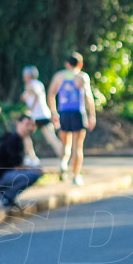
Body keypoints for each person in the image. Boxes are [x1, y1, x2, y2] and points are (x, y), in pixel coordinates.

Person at [48, 52, 96, 186]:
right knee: (78, 146)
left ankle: (63, 163)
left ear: (67, 64)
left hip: (63, 112)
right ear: (80, 64)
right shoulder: (81, 77)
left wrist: (53, 112)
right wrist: (92, 115)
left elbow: (51, 93)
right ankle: (76, 176)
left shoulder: (59, 76)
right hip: (78, 113)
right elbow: (88, 97)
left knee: (65, 143)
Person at [0, 115, 44, 208]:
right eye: (27, 125)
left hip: (5, 174)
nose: (30, 128)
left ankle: (8, 196)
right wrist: (36, 169)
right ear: (18, 124)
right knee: (33, 174)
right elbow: (17, 166)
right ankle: (6, 195)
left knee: (33, 173)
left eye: (32, 125)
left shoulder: (19, 139)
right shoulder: (13, 139)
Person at [21, 65, 63, 165]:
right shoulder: (39, 83)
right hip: (45, 114)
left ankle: (32, 157)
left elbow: (36, 94)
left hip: (35, 116)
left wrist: (31, 108)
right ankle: (63, 158)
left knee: (25, 135)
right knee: (52, 138)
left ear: (28, 75)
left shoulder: (29, 84)